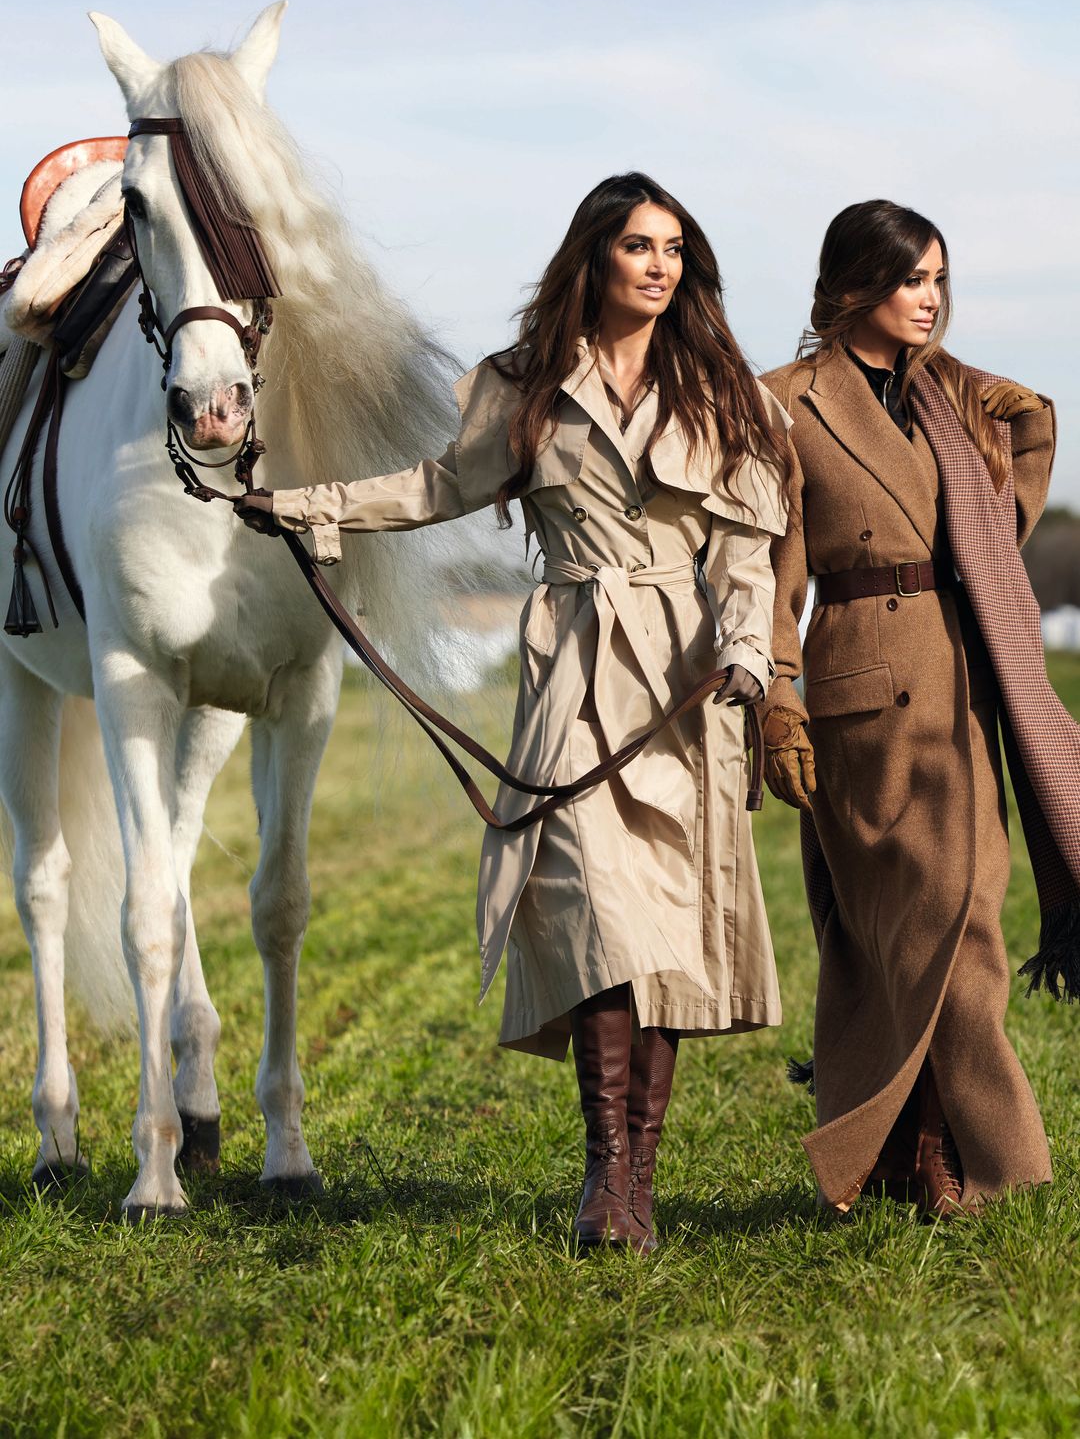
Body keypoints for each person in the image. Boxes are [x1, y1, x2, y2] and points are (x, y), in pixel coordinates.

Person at [237, 172, 791, 1252]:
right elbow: (440, 486)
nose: (660, 265)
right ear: (595, 258)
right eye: (639, 245)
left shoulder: (728, 393)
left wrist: (745, 659)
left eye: (674, 248)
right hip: (575, 672)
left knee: (664, 936)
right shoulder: (524, 384)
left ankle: (637, 1175)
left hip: (687, 685)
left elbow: (746, 556)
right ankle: (601, 1170)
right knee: (597, 917)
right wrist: (310, 506)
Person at [762, 199, 1080, 1219]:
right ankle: (921, 1149)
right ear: (854, 283)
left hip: (963, 680)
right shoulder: (785, 403)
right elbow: (772, 578)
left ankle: (938, 1147)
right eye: (911, 280)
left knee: (963, 914)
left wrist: (963, 385)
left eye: (939, 280)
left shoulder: (950, 404)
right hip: (858, 690)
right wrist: (776, 697)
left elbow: (1032, 432)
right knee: (887, 931)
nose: (931, 300)